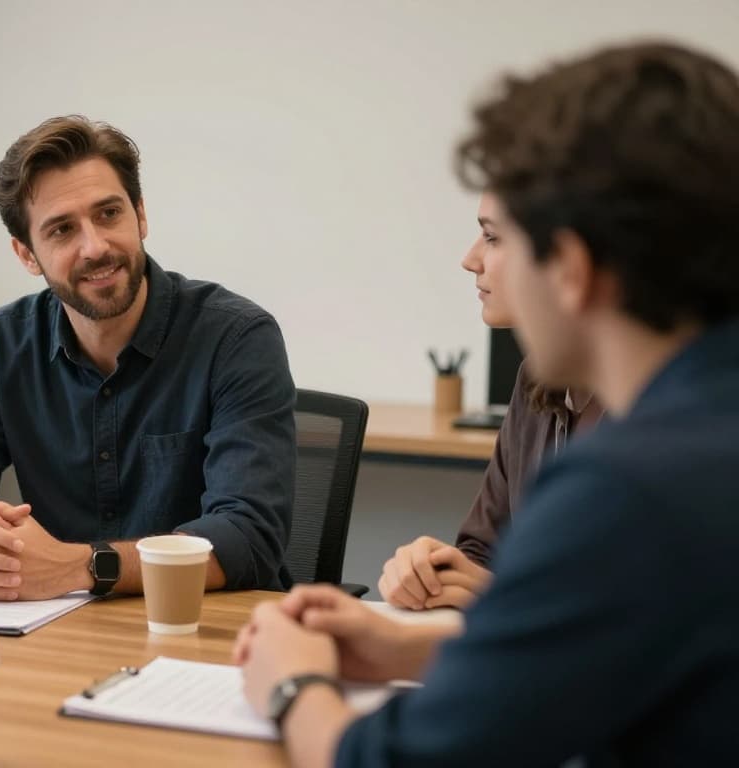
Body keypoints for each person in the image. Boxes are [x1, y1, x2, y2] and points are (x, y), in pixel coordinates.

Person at [237, 41, 739, 766]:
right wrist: (397, 645)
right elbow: (598, 654)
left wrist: (292, 687)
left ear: (569, 267)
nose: (474, 260)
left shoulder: (634, 488)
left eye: (500, 239)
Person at [0, 115, 296, 600]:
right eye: (62, 230)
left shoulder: (236, 336)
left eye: (108, 214)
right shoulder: (4, 343)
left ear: (140, 215)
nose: (96, 246)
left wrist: (81, 566)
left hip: (210, 630)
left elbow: (247, 536)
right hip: (62, 631)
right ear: (27, 255)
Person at [376, 192, 603, 610]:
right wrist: (437, 573)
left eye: (492, 237)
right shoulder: (538, 378)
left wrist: (501, 596)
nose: (470, 258)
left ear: (568, 258)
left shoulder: (655, 411)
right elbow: (484, 553)